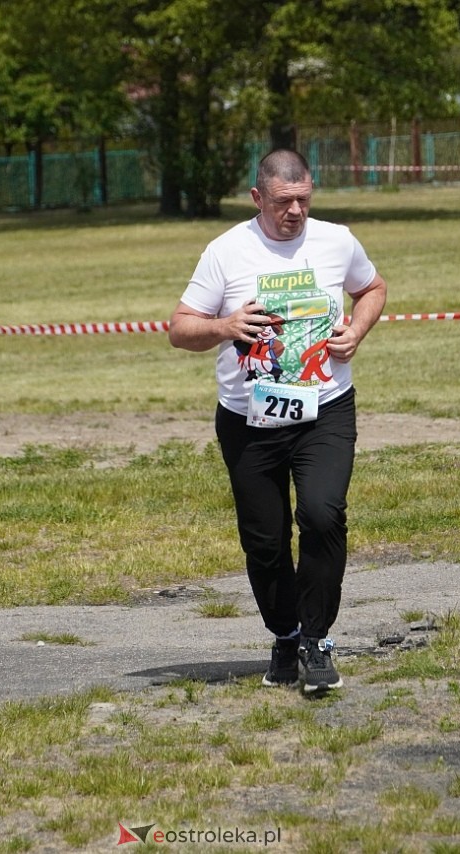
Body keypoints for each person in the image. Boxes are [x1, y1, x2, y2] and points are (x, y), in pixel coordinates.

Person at [168, 149, 387, 694]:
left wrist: (356, 331)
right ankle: (285, 633)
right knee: (265, 542)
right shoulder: (225, 252)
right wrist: (224, 325)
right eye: (284, 201)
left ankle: (317, 640)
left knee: (321, 513)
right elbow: (179, 328)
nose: (295, 212)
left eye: (304, 200)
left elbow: (373, 288)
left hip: (326, 407)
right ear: (258, 197)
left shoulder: (336, 240)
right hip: (248, 420)